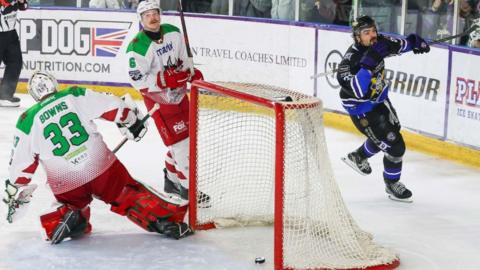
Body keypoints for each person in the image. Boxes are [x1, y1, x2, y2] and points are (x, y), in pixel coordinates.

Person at [3, 71, 193, 244]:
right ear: (54, 84)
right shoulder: (72, 94)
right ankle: (165, 219)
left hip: (67, 184)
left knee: (72, 204)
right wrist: (129, 119)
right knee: (127, 194)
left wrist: (16, 189)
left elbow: (20, 165)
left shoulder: (26, 120)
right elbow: (112, 106)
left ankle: (65, 216)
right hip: (102, 169)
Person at [336, 15, 430, 202]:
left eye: (373, 30)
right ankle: (392, 183)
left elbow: (400, 45)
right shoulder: (348, 63)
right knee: (396, 147)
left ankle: (358, 156)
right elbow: (358, 90)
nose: (372, 35)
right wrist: (368, 63)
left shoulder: (378, 43)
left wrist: (414, 42)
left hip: (380, 101)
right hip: (363, 110)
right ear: (357, 37)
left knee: (392, 132)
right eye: (366, 32)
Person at [126, 1, 210, 207]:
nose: (153, 18)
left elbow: (184, 60)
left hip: (181, 97)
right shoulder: (137, 46)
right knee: (181, 145)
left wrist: (191, 73)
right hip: (160, 103)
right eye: (147, 15)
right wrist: (163, 80)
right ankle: (187, 189)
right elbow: (137, 81)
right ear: (141, 19)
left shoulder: (173, 32)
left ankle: (172, 180)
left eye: (155, 13)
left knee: (186, 141)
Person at [0, 0, 27, 107]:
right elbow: (4, 7)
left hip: (10, 33)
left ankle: (5, 95)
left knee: (15, 62)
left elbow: (24, 6)